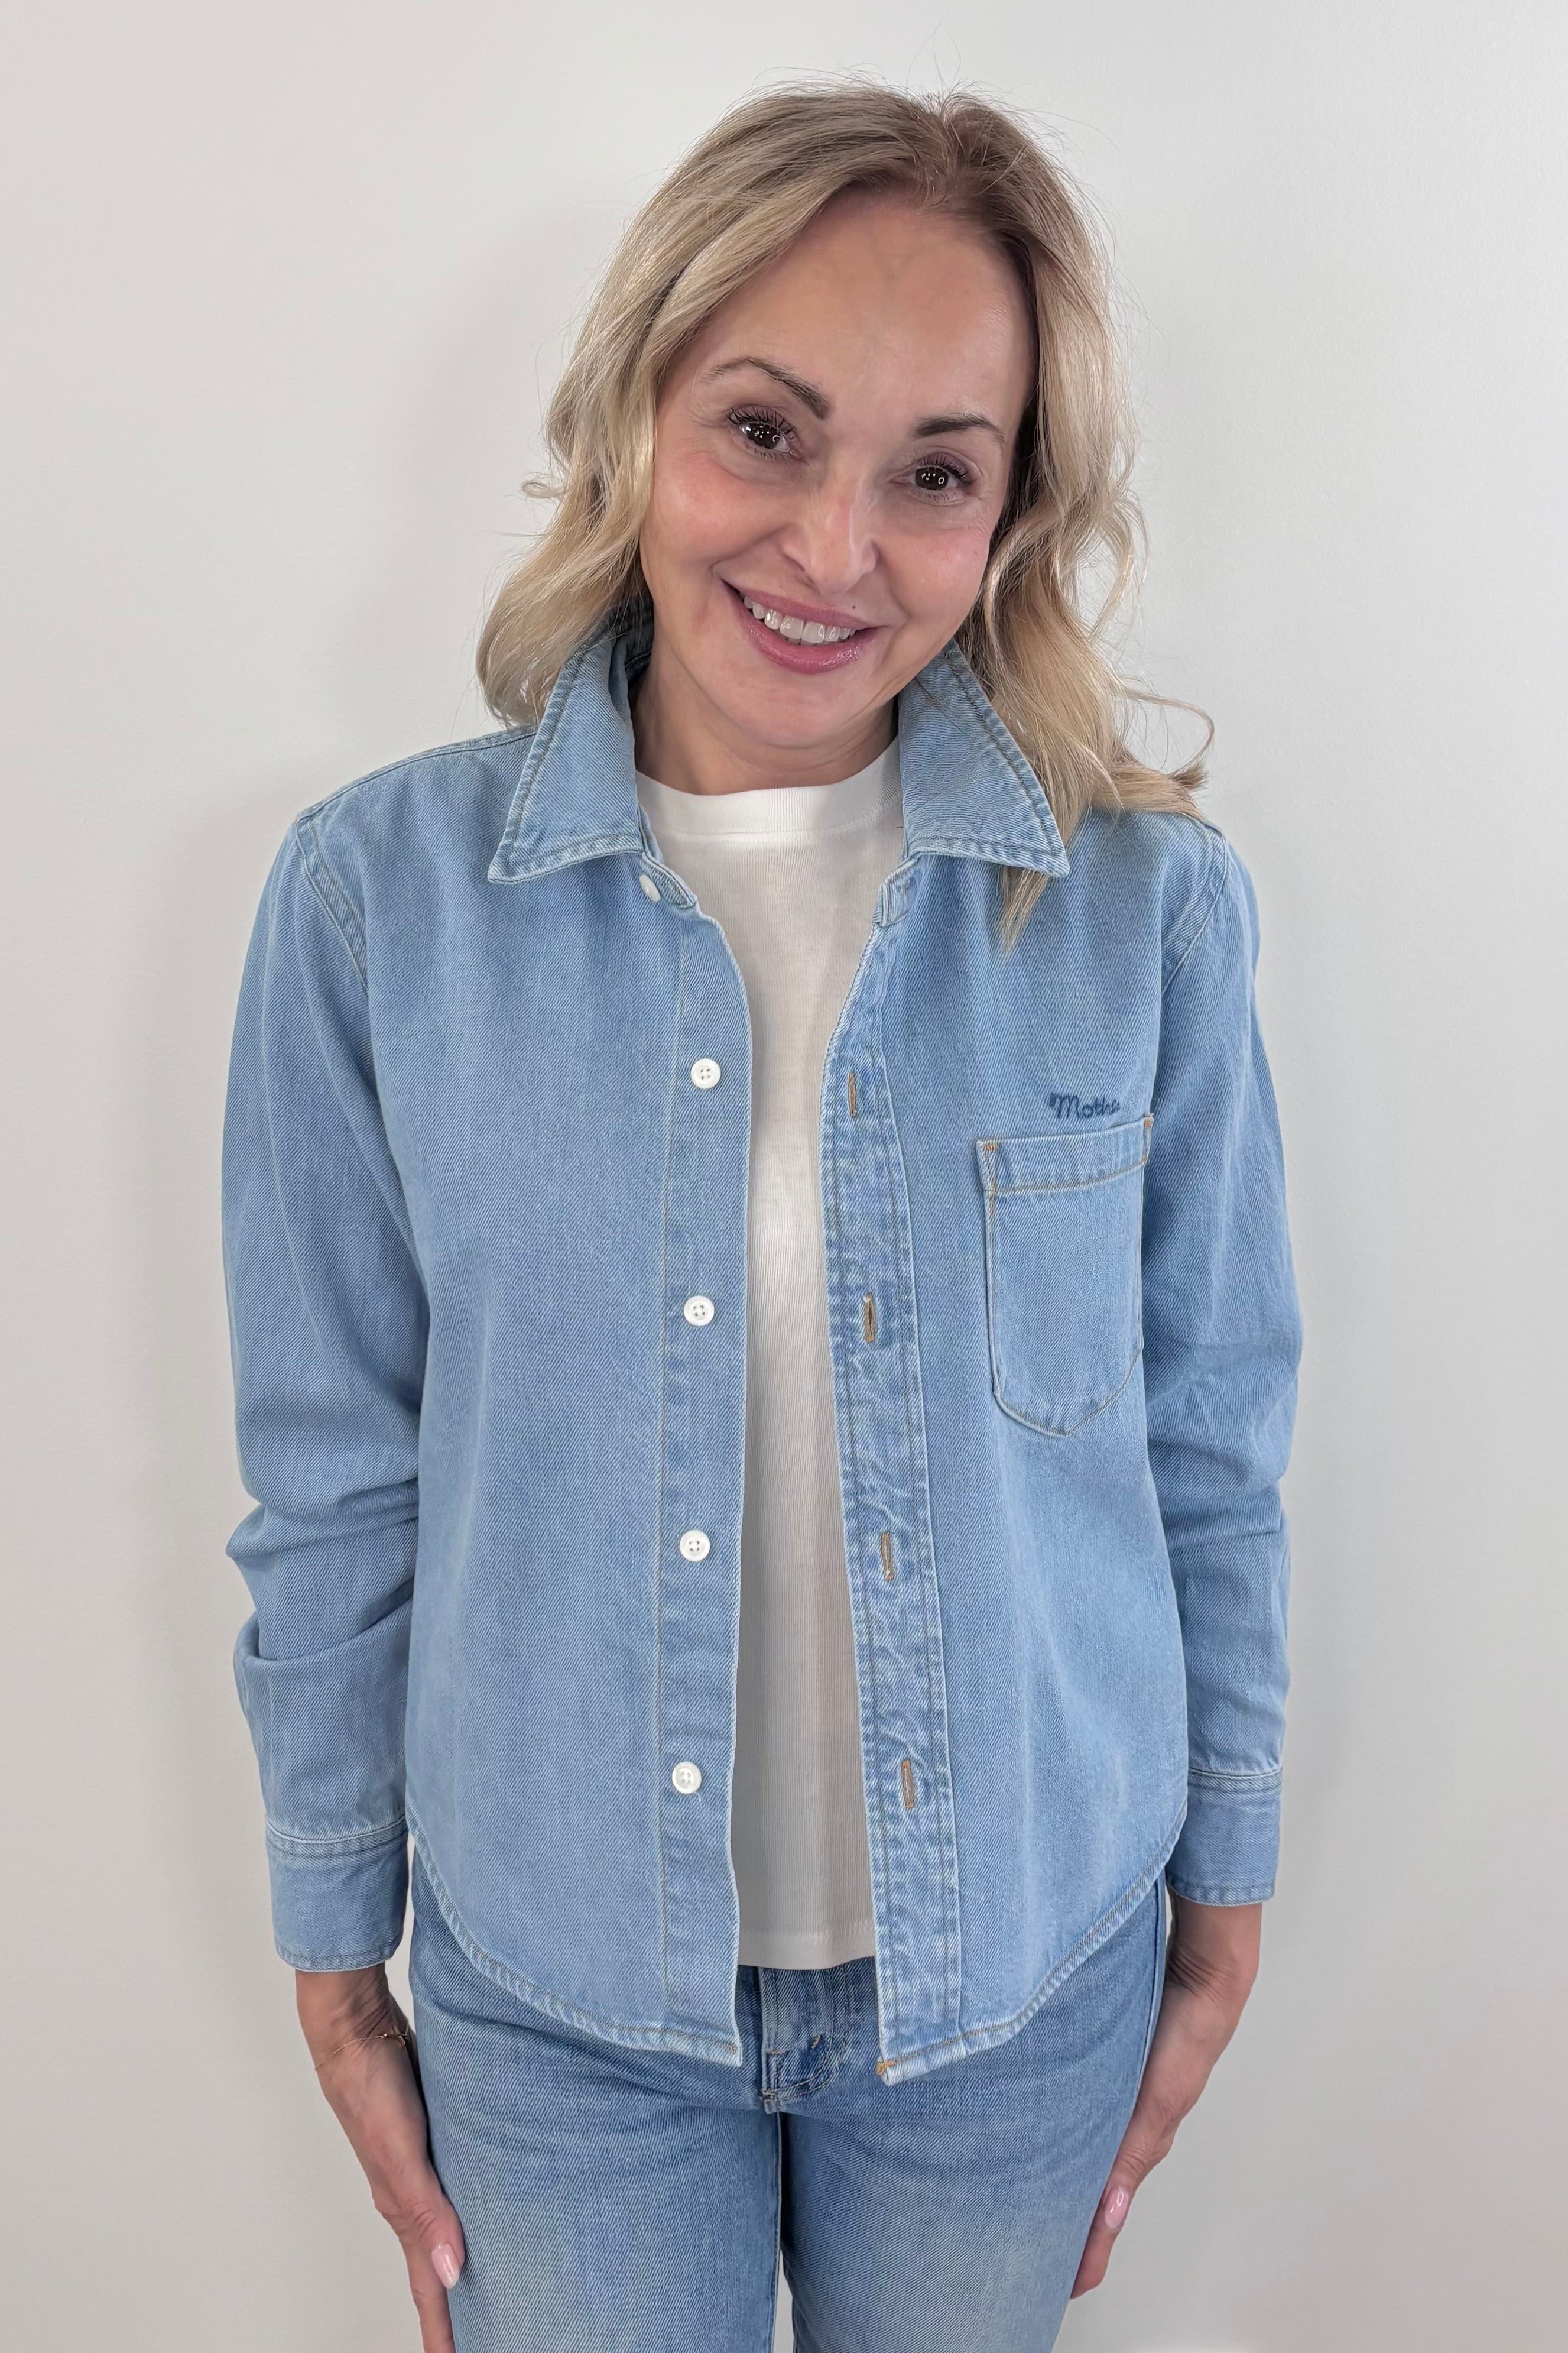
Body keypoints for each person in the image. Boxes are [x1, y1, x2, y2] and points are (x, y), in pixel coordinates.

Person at [220, 79, 1301, 2353]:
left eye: (935, 470)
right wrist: (334, 1926)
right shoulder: (372, 908)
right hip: (563, 2002)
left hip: (1018, 1977)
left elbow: (1208, 1439)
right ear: (636, 415)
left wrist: (1230, 1864)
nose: (834, 546)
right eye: (767, 430)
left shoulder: (1143, 915)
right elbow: (339, 1472)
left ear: (1012, 516)